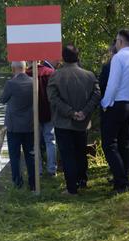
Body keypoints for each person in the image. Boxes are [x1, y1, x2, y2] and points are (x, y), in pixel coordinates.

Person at [47, 44, 100, 195]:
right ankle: (82, 181)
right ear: (78, 57)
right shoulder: (89, 75)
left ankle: (72, 188)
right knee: (80, 152)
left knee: (67, 155)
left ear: (63, 58)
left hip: (63, 122)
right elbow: (96, 95)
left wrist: (71, 113)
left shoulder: (55, 76)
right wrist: (84, 112)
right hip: (82, 122)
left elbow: (53, 99)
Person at [101, 29, 129, 193]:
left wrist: (105, 103)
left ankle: (122, 181)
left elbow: (113, 84)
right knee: (125, 143)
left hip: (118, 104)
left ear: (120, 41)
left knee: (109, 144)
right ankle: (124, 178)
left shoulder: (118, 58)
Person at [0, 61, 35, 191]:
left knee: (14, 156)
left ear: (14, 69)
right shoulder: (33, 82)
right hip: (30, 125)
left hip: (14, 127)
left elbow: (2, 99)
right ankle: (33, 183)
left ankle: (17, 183)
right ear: (25, 68)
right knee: (30, 155)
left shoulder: (10, 84)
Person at [26, 61, 57, 176]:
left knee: (35, 142)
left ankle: (38, 170)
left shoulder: (26, 74)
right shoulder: (50, 72)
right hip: (49, 112)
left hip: (33, 113)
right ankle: (52, 169)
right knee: (51, 141)